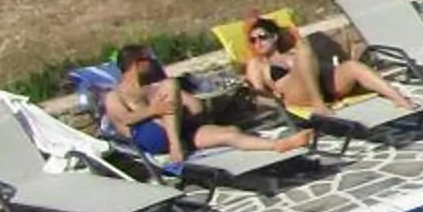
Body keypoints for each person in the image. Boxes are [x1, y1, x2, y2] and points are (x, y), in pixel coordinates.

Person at [104, 46, 311, 162]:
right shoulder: (115, 95)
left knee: (230, 132)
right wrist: (154, 110)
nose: (154, 63)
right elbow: (125, 119)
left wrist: (181, 101)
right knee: (170, 84)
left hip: (181, 131)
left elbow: (196, 108)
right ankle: (176, 147)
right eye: (149, 59)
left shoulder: (156, 86)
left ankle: (279, 145)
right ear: (137, 64)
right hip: (151, 137)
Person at [240, 16, 420, 118]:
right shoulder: (257, 64)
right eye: (253, 40)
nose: (258, 43)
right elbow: (258, 93)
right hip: (296, 96)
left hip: (323, 87)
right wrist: (275, 103)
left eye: (262, 37)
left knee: (352, 66)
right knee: (305, 51)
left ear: (275, 37)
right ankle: (319, 105)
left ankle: (398, 98)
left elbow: (318, 68)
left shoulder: (293, 52)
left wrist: (339, 72)